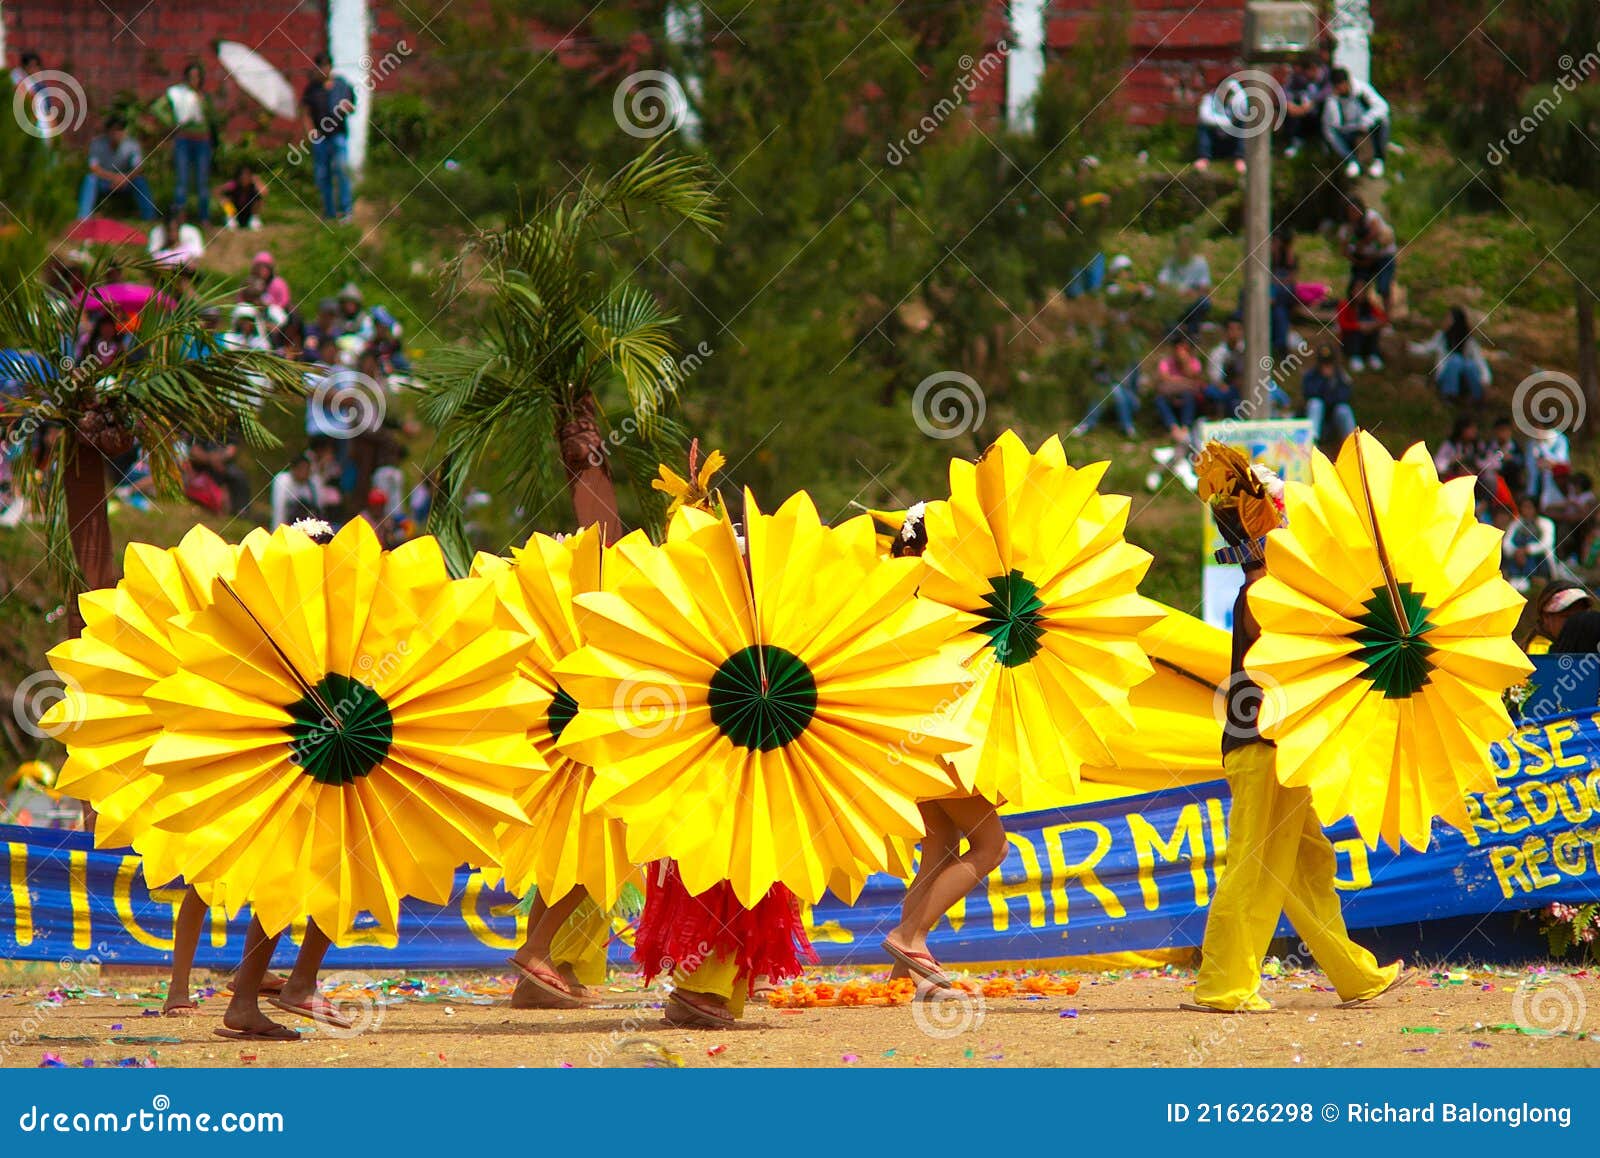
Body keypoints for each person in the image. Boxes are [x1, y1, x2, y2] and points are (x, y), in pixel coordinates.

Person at [1187, 445, 1407, 1013]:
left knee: (1310, 866)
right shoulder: (1261, 593)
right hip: (1262, 751)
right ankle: (1224, 985)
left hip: (1277, 751)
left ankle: (1354, 974)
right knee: (1254, 868)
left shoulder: (1273, 591)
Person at [880, 505, 1008, 993]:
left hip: (908, 735)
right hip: (937, 735)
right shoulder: (939, 597)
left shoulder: (894, 593)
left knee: (938, 847)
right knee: (991, 845)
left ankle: (903, 972)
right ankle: (910, 937)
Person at [154, 62, 217, 223]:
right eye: (191, 77)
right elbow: (157, 108)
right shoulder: (178, 94)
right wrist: (172, 122)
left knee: (202, 180)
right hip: (184, 140)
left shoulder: (204, 97)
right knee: (182, 180)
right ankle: (179, 217)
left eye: (197, 77)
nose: (194, 80)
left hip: (202, 141)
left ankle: (204, 217)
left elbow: (211, 120)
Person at [301, 52, 357, 223]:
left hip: (338, 135)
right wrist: (310, 131)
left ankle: (346, 210)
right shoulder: (311, 89)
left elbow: (352, 106)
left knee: (341, 171)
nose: (324, 70)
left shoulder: (342, 85)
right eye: (320, 67)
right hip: (321, 138)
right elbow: (305, 113)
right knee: (322, 174)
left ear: (331, 67)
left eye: (326, 66)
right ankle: (329, 212)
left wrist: (347, 108)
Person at [77, 115, 157, 221]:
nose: (118, 134)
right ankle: (83, 218)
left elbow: (138, 167)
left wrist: (124, 178)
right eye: (115, 130)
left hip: (126, 181)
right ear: (108, 132)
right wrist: (114, 178)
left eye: (121, 130)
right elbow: (94, 167)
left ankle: (149, 217)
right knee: (90, 179)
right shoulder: (97, 144)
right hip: (105, 181)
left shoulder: (131, 145)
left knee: (140, 181)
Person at [1409, 306, 1490, 403]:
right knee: (1456, 360)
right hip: (1445, 375)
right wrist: (1410, 347)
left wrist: (1485, 380)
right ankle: (1449, 395)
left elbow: (1480, 362)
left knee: (1470, 365)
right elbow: (1427, 349)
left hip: (1464, 379)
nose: (1445, 321)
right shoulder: (1441, 337)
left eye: (1448, 318)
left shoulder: (1469, 341)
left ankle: (1476, 398)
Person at [1323, 67, 1391, 178]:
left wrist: (1367, 120)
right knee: (1335, 135)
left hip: (1367, 127)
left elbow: (1383, 107)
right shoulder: (1332, 100)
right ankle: (1352, 160)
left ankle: (1378, 160)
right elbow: (1330, 127)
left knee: (1383, 121)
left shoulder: (1362, 90)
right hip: (1349, 131)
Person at [1340, 197, 1398, 314]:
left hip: (1382, 257)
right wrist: (1359, 260)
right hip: (1362, 260)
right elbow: (1344, 251)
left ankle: (1387, 317)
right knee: (1356, 289)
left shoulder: (1371, 218)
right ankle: (1357, 316)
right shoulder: (1346, 229)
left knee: (1383, 288)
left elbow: (1375, 236)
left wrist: (1364, 246)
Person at [1157, 229, 1213, 334]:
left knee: (1204, 303)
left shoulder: (1200, 262)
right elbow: (1162, 284)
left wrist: (1192, 293)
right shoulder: (1170, 262)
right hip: (1174, 300)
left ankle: (1193, 335)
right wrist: (1175, 292)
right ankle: (1171, 335)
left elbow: (1205, 287)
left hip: (1192, 300)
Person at [1153, 333, 1205, 441]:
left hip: (1187, 395)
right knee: (1160, 400)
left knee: (1188, 396)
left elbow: (1195, 381)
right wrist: (1184, 382)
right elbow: (1164, 379)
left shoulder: (1194, 362)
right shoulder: (1165, 362)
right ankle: (1174, 428)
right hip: (1169, 395)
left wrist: (1185, 363)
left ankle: (1185, 428)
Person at [1301, 344, 1356, 446]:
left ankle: (1352, 443)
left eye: (1329, 364)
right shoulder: (1311, 375)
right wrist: (1325, 382)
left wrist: (1331, 385)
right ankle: (1312, 442)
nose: (1327, 367)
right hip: (1318, 415)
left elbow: (1345, 396)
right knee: (1315, 404)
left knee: (1343, 409)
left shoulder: (1341, 376)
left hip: (1334, 415)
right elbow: (1309, 393)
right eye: (1324, 364)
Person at [1194, 73, 1247, 173]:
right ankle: (1203, 157)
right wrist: (1227, 123)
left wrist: (1238, 91)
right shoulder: (1209, 98)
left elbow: (1244, 110)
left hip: (1231, 141)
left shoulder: (1237, 100)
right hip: (1215, 141)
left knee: (1242, 124)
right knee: (1202, 125)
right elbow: (1204, 117)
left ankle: (1239, 158)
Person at [1503, 495, 1556, 592]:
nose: (1526, 511)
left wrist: (1527, 550)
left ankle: (1534, 578)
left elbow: (1546, 544)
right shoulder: (1516, 523)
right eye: (1524, 507)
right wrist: (1517, 552)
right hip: (1517, 559)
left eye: (1529, 507)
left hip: (1539, 561)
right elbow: (1506, 543)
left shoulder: (1546, 523)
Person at [1335, 274, 1386, 372]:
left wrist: (1373, 325)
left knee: (1373, 330)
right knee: (1355, 333)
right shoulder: (1345, 305)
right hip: (1350, 340)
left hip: (1366, 338)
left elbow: (1383, 318)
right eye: (1358, 289)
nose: (1360, 293)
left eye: (1363, 289)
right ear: (1351, 290)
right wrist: (1359, 326)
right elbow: (1343, 324)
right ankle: (1355, 356)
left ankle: (1373, 355)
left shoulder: (1369, 306)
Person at [1527, 581, 1594, 655]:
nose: (1577, 622)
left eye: (1582, 615)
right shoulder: (1539, 655)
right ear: (1546, 617)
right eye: (1568, 616)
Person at [1281, 58, 1328, 157]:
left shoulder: (1327, 76)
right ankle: (1296, 141)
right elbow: (1286, 89)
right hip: (1302, 109)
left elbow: (1327, 92)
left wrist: (1312, 103)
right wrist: (1289, 103)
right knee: (1291, 113)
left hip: (1321, 110)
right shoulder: (1300, 77)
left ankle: (1324, 144)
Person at [269, 453, 323, 529]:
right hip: (288, 523)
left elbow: (318, 508)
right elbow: (279, 510)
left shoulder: (313, 483)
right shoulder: (283, 480)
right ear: (293, 469)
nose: (304, 472)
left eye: (306, 469)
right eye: (301, 469)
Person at [1433, 416, 1484, 482]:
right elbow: (1439, 464)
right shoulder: (1450, 445)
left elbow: (1485, 461)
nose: (1474, 431)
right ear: (1462, 429)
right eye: (1470, 428)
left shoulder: (1477, 445)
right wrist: (1452, 462)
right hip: (1453, 478)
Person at [217, 163, 267, 230]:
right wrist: (226, 188)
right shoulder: (233, 184)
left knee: (258, 198)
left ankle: (254, 220)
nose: (244, 177)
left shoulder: (253, 185)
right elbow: (217, 192)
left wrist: (257, 181)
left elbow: (264, 192)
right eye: (242, 175)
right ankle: (231, 220)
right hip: (235, 213)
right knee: (226, 199)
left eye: (247, 175)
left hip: (249, 213)